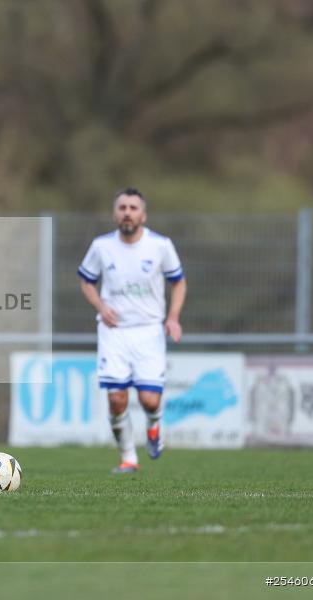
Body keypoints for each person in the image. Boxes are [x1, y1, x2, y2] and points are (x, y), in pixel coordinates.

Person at [77, 187, 187, 473]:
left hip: (149, 331)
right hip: (114, 332)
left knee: (150, 400)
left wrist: (173, 317)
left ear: (143, 215)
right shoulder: (101, 246)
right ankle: (128, 458)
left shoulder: (160, 245)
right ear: (115, 214)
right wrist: (101, 306)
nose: (127, 212)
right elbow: (86, 281)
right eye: (122, 207)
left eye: (133, 208)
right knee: (116, 399)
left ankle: (154, 426)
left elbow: (178, 282)